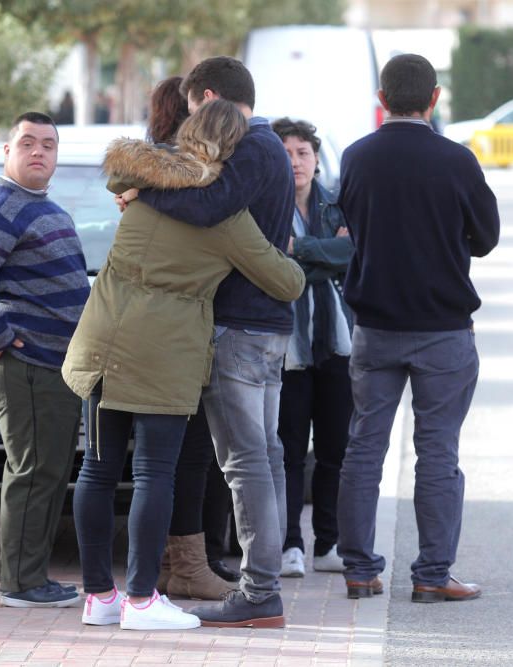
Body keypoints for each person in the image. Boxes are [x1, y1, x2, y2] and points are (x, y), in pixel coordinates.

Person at [63, 99, 304, 631]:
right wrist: (289, 251)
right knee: (153, 474)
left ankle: (100, 597)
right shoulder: (225, 218)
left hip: (102, 340)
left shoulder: (140, 191)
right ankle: (143, 601)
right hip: (163, 353)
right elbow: (287, 282)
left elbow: (120, 179)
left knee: (97, 470)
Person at [119, 55, 297, 629]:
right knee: (264, 459)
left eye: (193, 107)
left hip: (241, 327)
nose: (192, 125)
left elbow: (208, 209)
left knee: (247, 464)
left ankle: (259, 590)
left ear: (209, 97)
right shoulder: (265, 143)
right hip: (264, 326)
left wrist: (145, 195)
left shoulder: (252, 143)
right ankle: (261, 586)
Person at [336, 54, 499, 602]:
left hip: (375, 326)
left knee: (363, 449)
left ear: (382, 100)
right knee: (438, 452)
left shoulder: (357, 158)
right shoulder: (457, 160)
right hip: (443, 329)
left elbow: (350, 224)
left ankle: (359, 569)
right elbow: (487, 235)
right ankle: (432, 575)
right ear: (434, 98)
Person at [0, 112, 89, 608]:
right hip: (26, 363)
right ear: (8, 151)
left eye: (48, 145)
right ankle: (22, 584)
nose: (39, 152)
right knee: (33, 472)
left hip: (53, 364)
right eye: (27, 142)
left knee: (47, 473)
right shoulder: (2, 204)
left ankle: (33, 578)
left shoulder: (38, 204)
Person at [144, 76, 235, 602]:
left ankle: (161, 565)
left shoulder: (137, 184)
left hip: (144, 339)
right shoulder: (196, 187)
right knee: (194, 455)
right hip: (187, 339)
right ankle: (188, 566)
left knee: (147, 462)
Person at [271, 117, 354, 578]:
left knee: (334, 449)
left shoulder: (336, 204)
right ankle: (289, 545)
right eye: (285, 153)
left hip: (336, 343)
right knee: (287, 450)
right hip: (286, 347)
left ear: (316, 159)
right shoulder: (266, 205)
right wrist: (324, 252)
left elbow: (352, 253)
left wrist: (299, 251)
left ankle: (329, 542)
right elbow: (270, 258)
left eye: (303, 153)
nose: (295, 162)